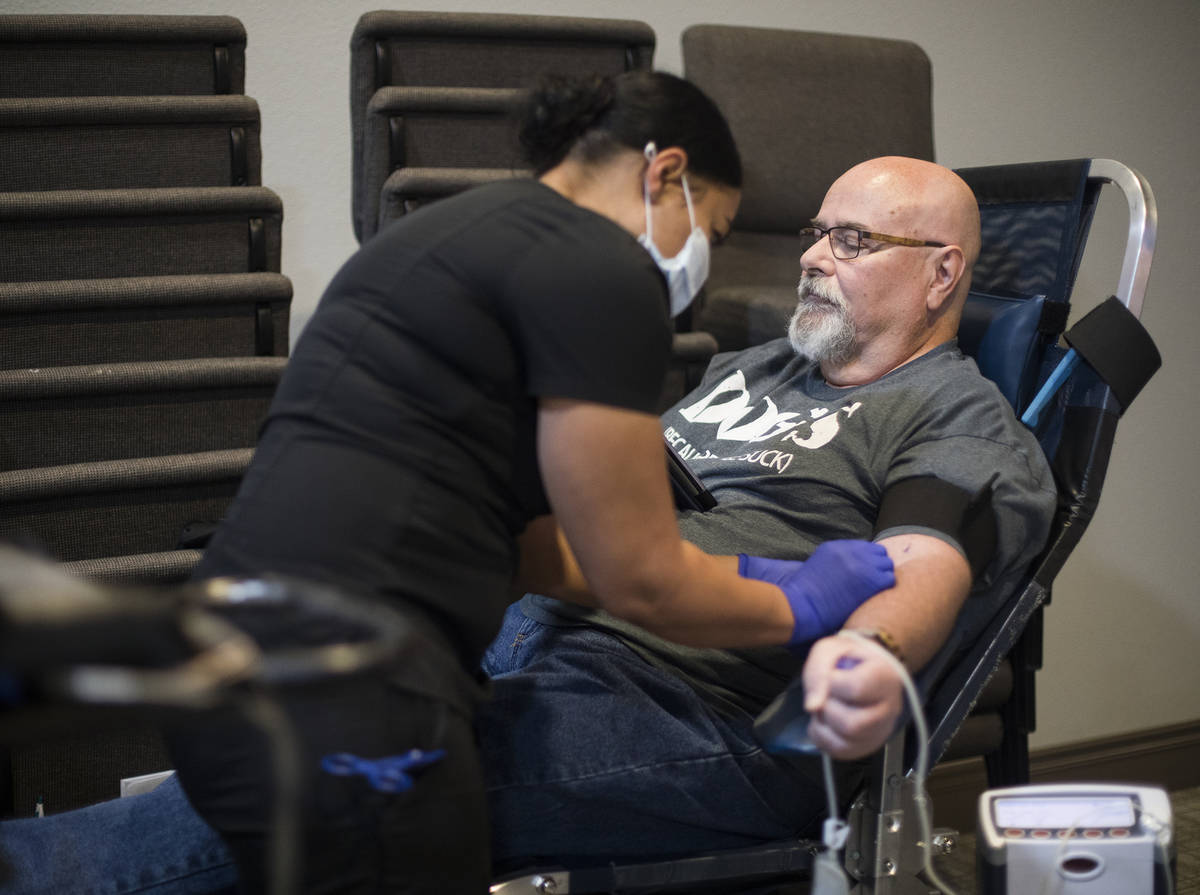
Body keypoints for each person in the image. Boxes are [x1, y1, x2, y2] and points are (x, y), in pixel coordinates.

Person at [0, 73, 894, 895]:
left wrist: (740, 580)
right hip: (359, 693)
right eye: (715, 229)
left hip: (245, 651)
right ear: (666, 173)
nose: (703, 256)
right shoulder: (601, 269)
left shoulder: (455, 235)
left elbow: (537, 551)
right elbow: (641, 577)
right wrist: (799, 600)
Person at [476, 156, 1059, 867]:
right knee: (329, 690)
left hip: (680, 699)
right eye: (818, 232)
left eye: (852, 240)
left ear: (941, 275)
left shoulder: (955, 415)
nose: (812, 256)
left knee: (373, 781)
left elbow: (925, 556)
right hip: (531, 618)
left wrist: (871, 651)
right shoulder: (755, 366)